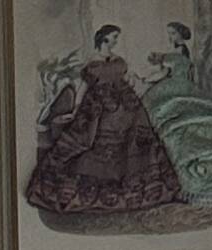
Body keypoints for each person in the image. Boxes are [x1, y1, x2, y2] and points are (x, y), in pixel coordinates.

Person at [25, 24, 185, 221]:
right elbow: (84, 86)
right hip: (100, 108)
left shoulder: (118, 59)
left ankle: (141, 188)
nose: (115, 41)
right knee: (90, 142)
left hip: (129, 107)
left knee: (138, 142)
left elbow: (129, 78)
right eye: (113, 37)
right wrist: (75, 109)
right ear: (103, 39)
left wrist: (142, 86)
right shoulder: (93, 62)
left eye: (117, 37)